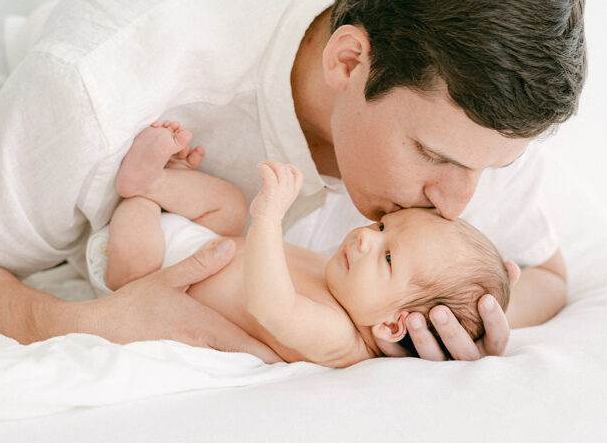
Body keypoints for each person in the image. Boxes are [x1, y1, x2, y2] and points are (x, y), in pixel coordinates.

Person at [0, 0, 585, 361]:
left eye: (487, 170)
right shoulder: (106, 78)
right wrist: (81, 325)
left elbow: (544, 277)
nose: (458, 202)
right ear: (348, 59)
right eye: (430, 155)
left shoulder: (474, 111)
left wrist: (466, 314)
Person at [93, 121, 515, 367]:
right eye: (384, 226)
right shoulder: (343, 285)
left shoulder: (339, 338)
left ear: (391, 326)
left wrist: (270, 217)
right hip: (205, 241)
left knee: (136, 260)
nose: (367, 237)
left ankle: (141, 195)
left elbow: (271, 306)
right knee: (228, 204)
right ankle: (160, 181)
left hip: (153, 280)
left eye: (387, 256)